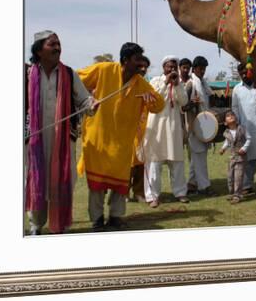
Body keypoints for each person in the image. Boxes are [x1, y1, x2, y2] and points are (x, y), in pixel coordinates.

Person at [77, 42, 165, 231]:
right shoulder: (103, 70)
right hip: (98, 138)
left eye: (142, 60)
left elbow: (159, 105)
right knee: (97, 184)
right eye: (137, 60)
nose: (141, 64)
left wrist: (152, 101)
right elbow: (75, 80)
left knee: (120, 183)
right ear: (125, 60)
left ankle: (116, 217)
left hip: (122, 143)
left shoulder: (140, 83)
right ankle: (97, 219)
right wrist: (88, 98)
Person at [25, 31, 97, 235]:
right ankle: (36, 225)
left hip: (63, 141)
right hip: (33, 140)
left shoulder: (68, 74)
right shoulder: (26, 75)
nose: (58, 47)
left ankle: (60, 226)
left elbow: (84, 100)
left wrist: (92, 104)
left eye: (59, 44)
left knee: (62, 181)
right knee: (35, 178)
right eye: (52, 44)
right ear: (39, 50)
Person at [142, 56, 190, 208]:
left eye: (173, 67)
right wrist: (165, 82)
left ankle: (180, 192)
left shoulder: (180, 84)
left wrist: (176, 85)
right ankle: (152, 196)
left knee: (176, 162)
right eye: (169, 67)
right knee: (154, 164)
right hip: (156, 129)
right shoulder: (155, 81)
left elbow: (184, 102)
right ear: (164, 67)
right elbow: (154, 98)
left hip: (174, 128)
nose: (171, 70)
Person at [183, 56, 217, 196]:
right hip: (194, 127)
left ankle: (191, 184)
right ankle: (204, 187)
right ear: (194, 68)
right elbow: (183, 107)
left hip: (204, 125)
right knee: (200, 157)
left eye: (204, 69)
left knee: (197, 157)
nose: (202, 71)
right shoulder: (190, 84)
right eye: (200, 68)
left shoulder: (203, 84)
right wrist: (193, 103)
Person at [231, 62, 256, 196]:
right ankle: (247, 185)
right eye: (241, 73)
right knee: (247, 160)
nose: (244, 75)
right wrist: (237, 126)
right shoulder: (236, 89)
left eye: (246, 72)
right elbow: (234, 109)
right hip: (245, 130)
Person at [128, 55, 151, 203]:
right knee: (127, 164)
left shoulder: (147, 85)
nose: (142, 70)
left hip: (144, 129)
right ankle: (122, 193)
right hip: (127, 130)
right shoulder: (125, 83)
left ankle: (139, 192)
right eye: (140, 66)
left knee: (141, 163)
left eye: (145, 67)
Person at [219, 111, 250, 204]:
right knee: (230, 176)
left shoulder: (242, 129)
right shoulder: (226, 132)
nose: (231, 116)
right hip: (231, 157)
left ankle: (238, 195)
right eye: (228, 116)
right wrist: (223, 148)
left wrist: (244, 148)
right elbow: (227, 142)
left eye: (232, 115)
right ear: (225, 122)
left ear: (236, 119)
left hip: (241, 157)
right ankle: (232, 192)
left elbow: (249, 138)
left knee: (238, 176)